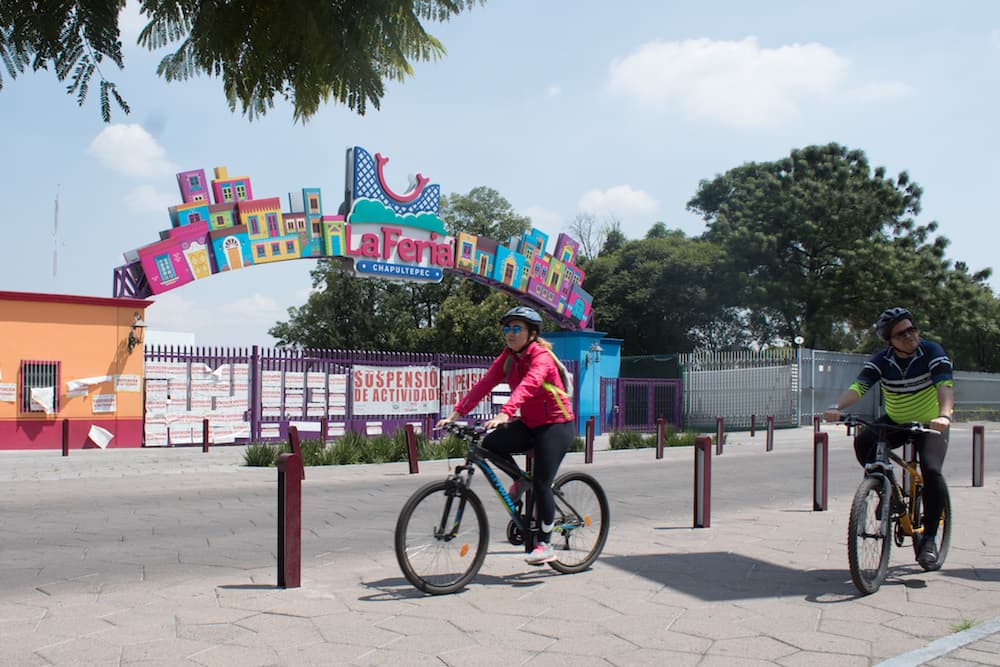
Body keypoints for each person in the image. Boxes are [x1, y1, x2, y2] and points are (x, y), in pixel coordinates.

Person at [437, 305, 575, 565]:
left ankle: (545, 544)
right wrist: (456, 414)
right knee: (491, 444)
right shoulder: (508, 357)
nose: (510, 334)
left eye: (516, 329)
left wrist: (505, 413)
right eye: (507, 329)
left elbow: (529, 385)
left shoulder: (541, 357)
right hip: (531, 423)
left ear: (532, 333)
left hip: (556, 424)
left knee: (543, 483)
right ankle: (521, 481)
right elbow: (484, 384)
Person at [823, 306, 954, 568]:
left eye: (911, 329)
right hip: (896, 421)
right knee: (863, 442)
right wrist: (838, 408)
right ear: (889, 341)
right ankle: (883, 488)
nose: (910, 336)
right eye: (902, 334)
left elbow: (945, 386)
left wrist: (944, 416)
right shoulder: (882, 361)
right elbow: (859, 386)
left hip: (931, 423)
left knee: (931, 470)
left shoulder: (931, 352)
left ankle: (928, 539)